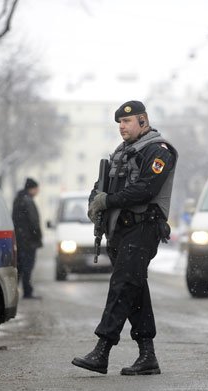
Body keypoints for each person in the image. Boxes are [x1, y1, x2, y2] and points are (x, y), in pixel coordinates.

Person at [72, 100, 178, 376]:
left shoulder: (158, 150)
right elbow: (101, 186)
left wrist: (107, 201)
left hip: (143, 228)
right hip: (121, 231)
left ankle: (102, 350)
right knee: (135, 290)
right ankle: (147, 356)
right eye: (119, 122)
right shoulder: (121, 153)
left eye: (127, 121)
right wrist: (95, 202)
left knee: (122, 286)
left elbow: (145, 189)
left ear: (143, 120)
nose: (122, 126)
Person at [12, 178, 43, 299]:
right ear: (32, 188)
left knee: (19, 266)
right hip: (29, 240)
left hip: (19, 239)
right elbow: (34, 221)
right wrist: (38, 236)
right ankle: (27, 291)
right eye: (36, 188)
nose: (38, 191)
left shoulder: (18, 199)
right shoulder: (28, 201)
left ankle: (13, 292)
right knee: (28, 266)